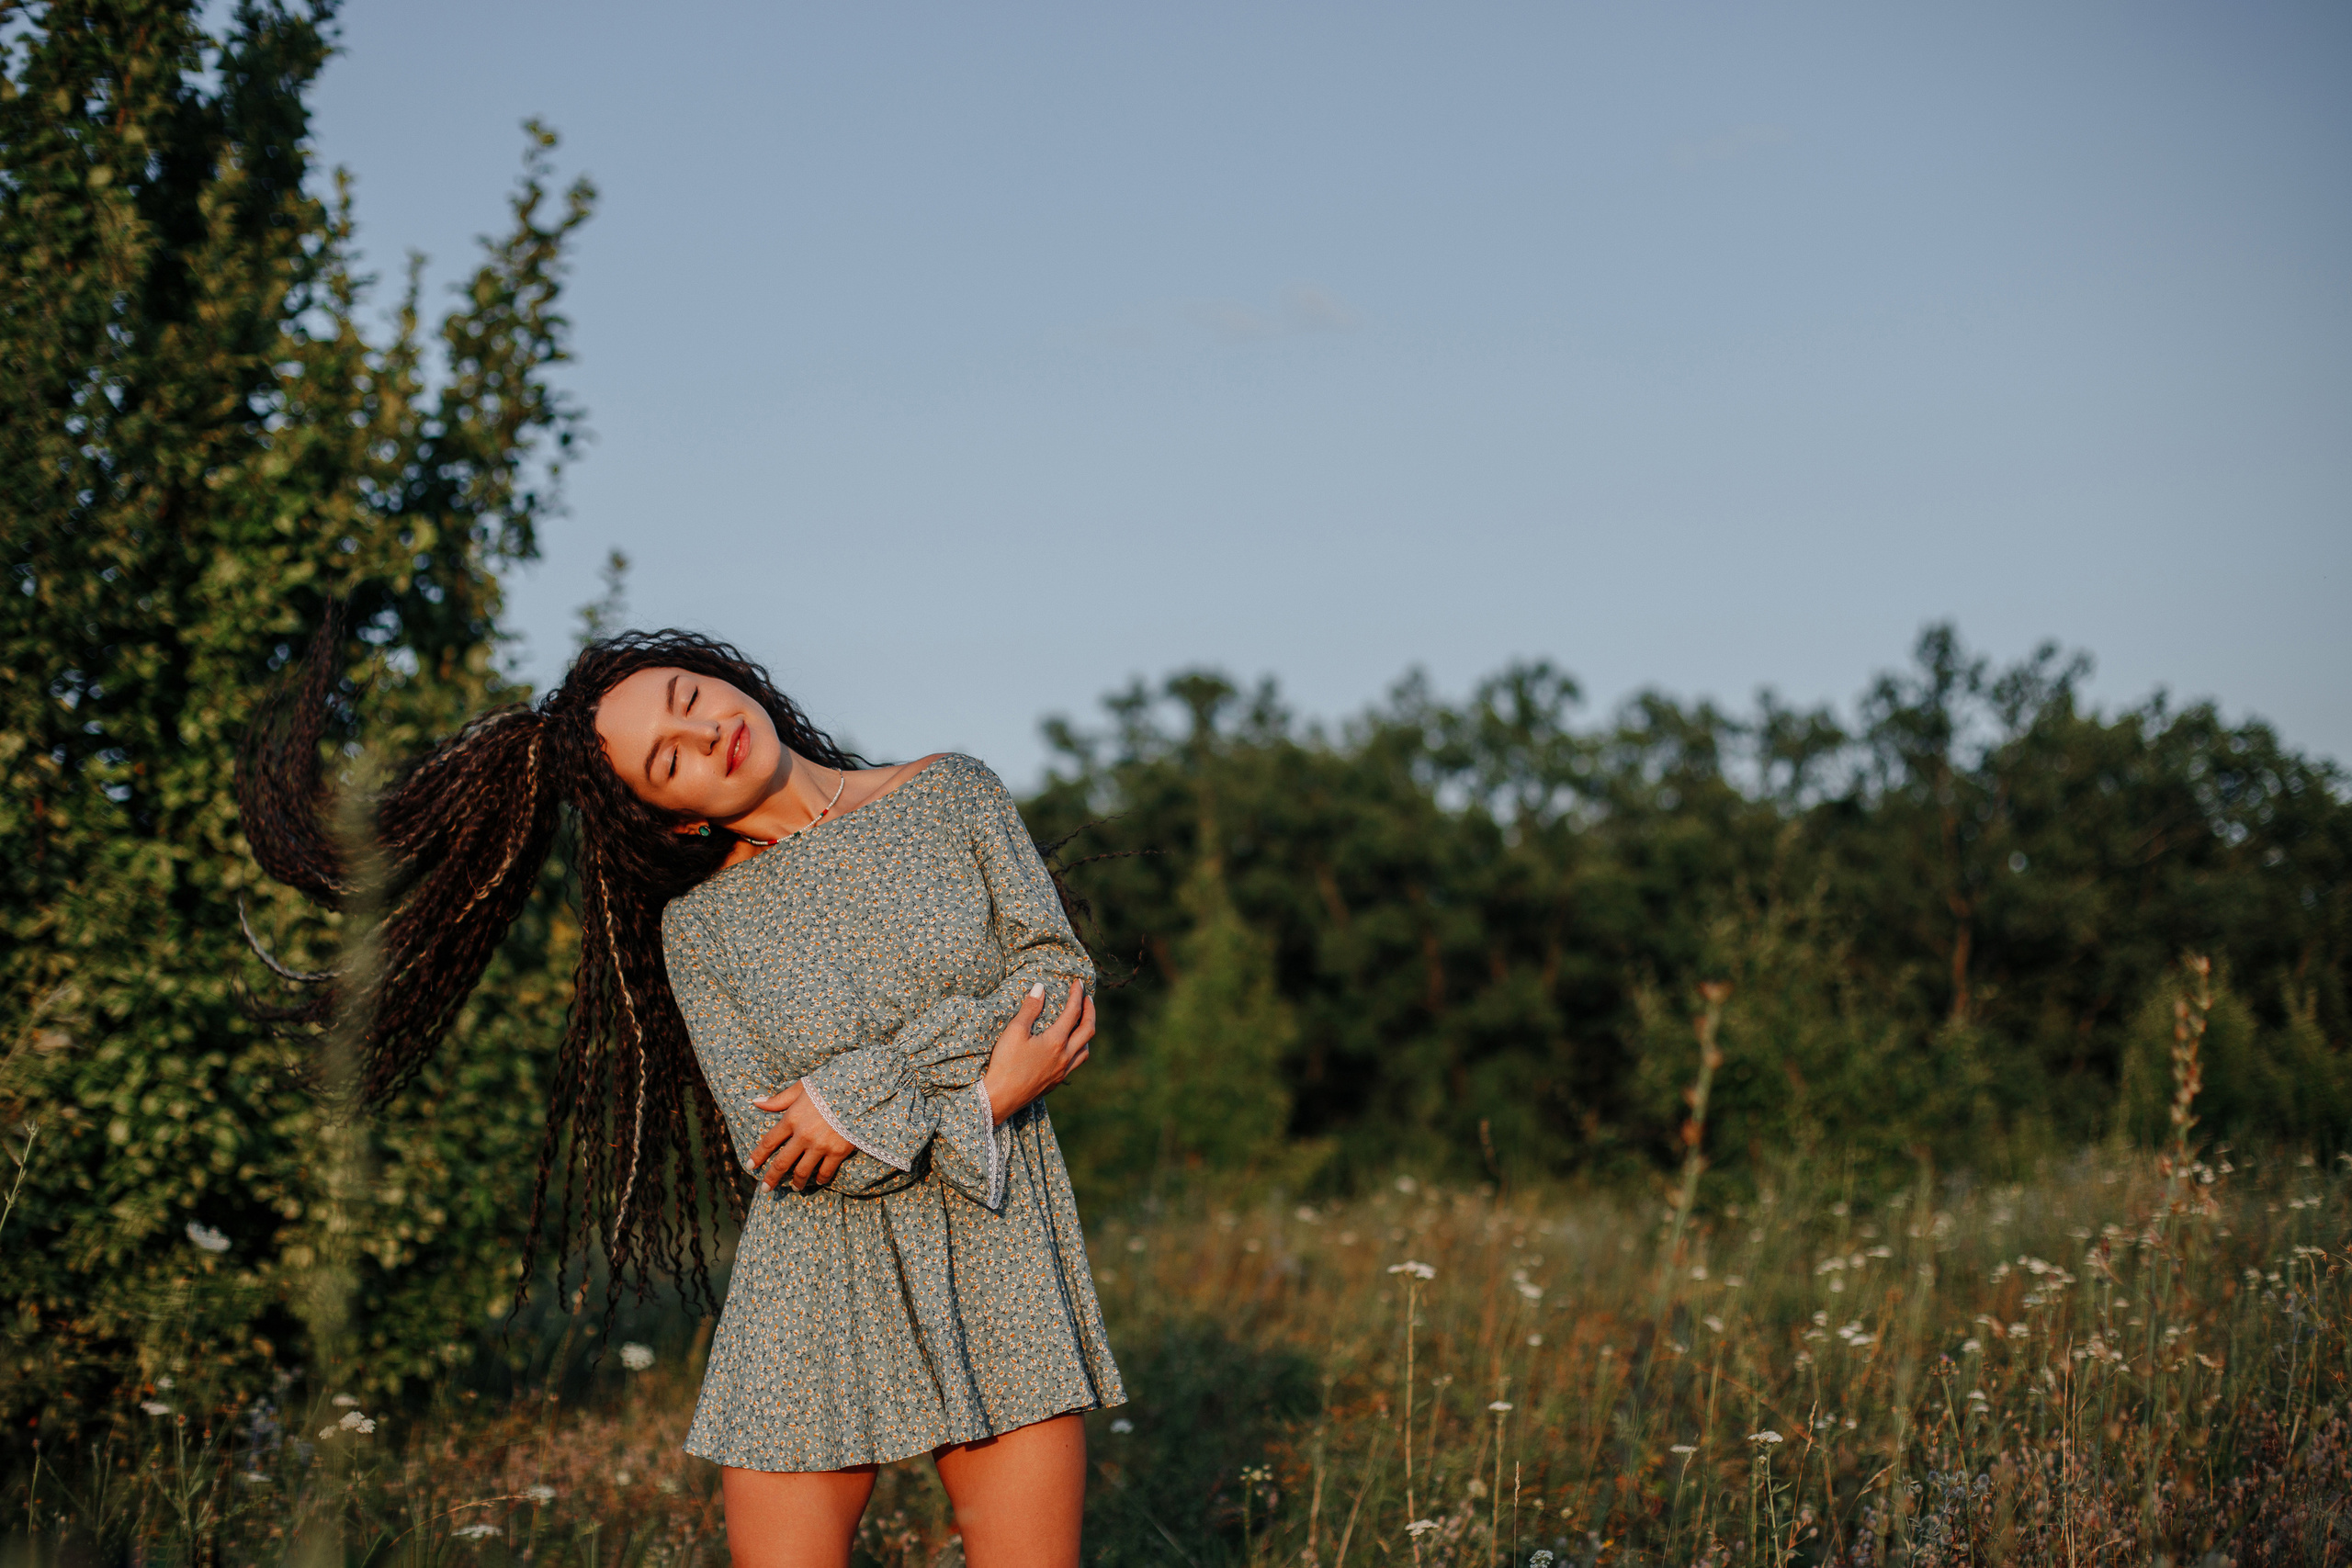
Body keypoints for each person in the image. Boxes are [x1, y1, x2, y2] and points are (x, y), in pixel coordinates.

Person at [239, 617, 1125, 1568]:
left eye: (689, 701)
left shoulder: (952, 793)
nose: (703, 735)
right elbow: (791, 1151)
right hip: (812, 1289)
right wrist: (977, 1094)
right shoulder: (704, 931)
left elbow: (1055, 989)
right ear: (677, 821)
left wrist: (853, 1097)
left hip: (995, 1255)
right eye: (669, 762)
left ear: (722, 678)